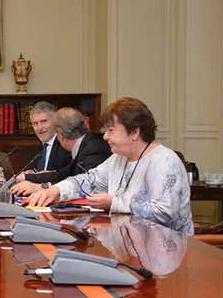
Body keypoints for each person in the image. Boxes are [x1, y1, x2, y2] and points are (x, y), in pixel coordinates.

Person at [29, 97, 194, 235]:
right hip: (127, 247)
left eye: (111, 130)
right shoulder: (118, 158)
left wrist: (114, 203)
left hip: (165, 259)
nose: (105, 137)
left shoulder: (163, 161)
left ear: (135, 132)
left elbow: (163, 212)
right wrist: (55, 190)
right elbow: (89, 180)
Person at [12, 107, 111, 195]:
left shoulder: (94, 150)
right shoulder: (84, 146)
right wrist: (25, 178)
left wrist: (39, 187)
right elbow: (60, 175)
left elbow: (85, 186)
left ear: (60, 135)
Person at [22, 101, 72, 176]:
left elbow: (67, 177)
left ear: (55, 122)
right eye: (35, 123)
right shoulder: (42, 145)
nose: (40, 128)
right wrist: (32, 173)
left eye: (44, 121)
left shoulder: (65, 145)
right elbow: (40, 171)